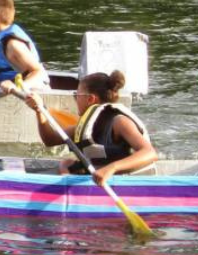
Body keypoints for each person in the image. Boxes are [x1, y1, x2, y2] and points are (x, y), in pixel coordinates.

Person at [26, 71, 156, 183]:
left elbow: (149, 153)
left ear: (90, 99)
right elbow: (50, 139)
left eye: (76, 95)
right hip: (97, 178)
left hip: (122, 181)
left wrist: (111, 168)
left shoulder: (119, 122)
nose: (75, 100)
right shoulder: (87, 126)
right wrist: (39, 110)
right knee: (67, 163)